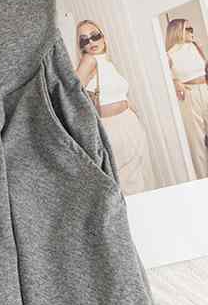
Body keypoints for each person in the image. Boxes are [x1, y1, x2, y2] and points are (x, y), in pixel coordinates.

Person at [73, 20, 150, 195]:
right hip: (112, 128)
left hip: (129, 121)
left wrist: (131, 110)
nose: (91, 42)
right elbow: (71, 94)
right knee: (126, 183)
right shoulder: (89, 60)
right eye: (84, 40)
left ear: (103, 37)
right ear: (81, 46)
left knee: (138, 176)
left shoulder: (107, 62)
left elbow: (118, 94)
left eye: (94, 36)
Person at [166, 17, 208, 179]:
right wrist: (175, 82)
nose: (191, 32)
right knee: (197, 141)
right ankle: (203, 179)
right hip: (189, 95)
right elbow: (165, 78)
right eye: (187, 29)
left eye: (191, 29)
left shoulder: (196, 47)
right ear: (177, 31)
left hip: (205, 88)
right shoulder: (168, 55)